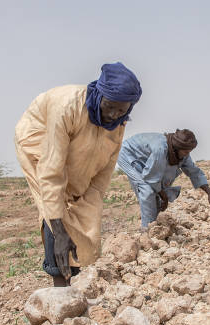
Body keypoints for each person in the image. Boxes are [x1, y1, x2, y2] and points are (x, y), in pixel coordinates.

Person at [14, 62, 142, 287]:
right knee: (54, 202)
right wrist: (60, 230)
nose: (113, 115)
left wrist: (88, 206)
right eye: (109, 106)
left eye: (122, 110)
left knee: (85, 204)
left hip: (77, 146)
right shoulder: (68, 106)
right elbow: (51, 172)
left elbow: (102, 174)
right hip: (37, 138)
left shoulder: (117, 123)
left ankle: (76, 271)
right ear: (100, 94)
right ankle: (59, 279)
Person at [118, 129, 210, 228]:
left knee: (160, 185)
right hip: (128, 154)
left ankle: (153, 223)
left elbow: (194, 172)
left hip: (145, 157)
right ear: (177, 148)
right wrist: (164, 197)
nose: (188, 154)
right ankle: (146, 229)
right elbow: (152, 179)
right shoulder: (160, 149)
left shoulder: (182, 153)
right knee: (147, 189)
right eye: (186, 152)